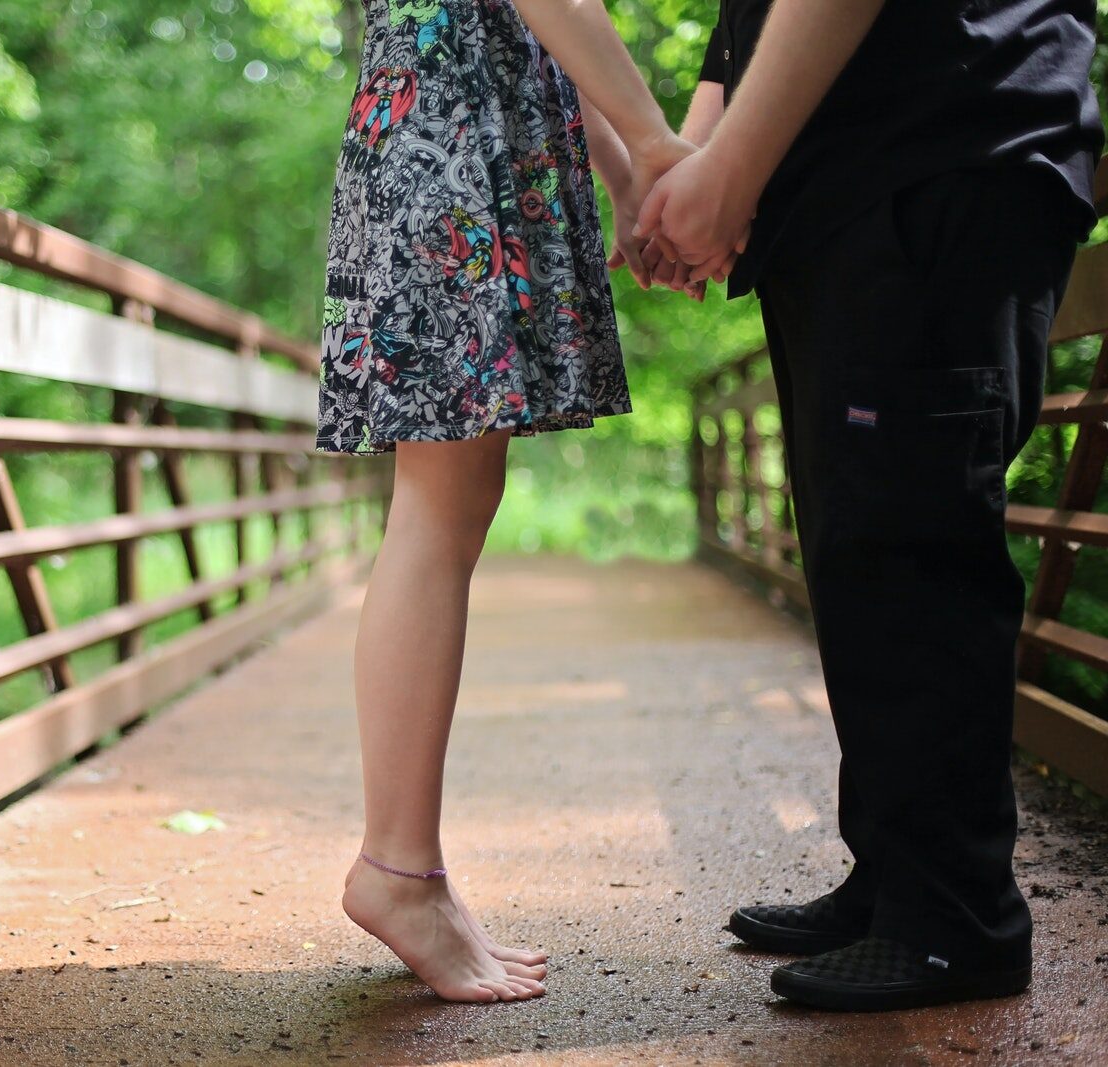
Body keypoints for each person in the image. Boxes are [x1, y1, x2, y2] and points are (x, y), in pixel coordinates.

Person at [636, 0, 1103, 1011]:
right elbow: (742, 25)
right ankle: (896, 876)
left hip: (945, 141)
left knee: (912, 538)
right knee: (859, 547)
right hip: (840, 182)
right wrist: (694, 164)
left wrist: (725, 169)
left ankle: (953, 920)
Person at [317, 0, 721, 1003]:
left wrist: (632, 178)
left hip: (452, 119)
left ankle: (408, 865)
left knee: (452, 495)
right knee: (438, 501)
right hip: (451, 130)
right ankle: (398, 868)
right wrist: (654, 143)